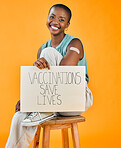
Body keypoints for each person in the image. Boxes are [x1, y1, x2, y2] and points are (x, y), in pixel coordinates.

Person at [5, 4, 93, 148]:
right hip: (53, 100)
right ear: (47, 18)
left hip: (76, 98)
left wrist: (37, 102)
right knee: (19, 117)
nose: (55, 22)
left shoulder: (74, 43)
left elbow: (64, 76)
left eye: (61, 19)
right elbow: (41, 83)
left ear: (67, 24)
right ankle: (42, 110)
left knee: (48, 53)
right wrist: (28, 100)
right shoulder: (42, 48)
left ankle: (43, 109)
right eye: (52, 17)